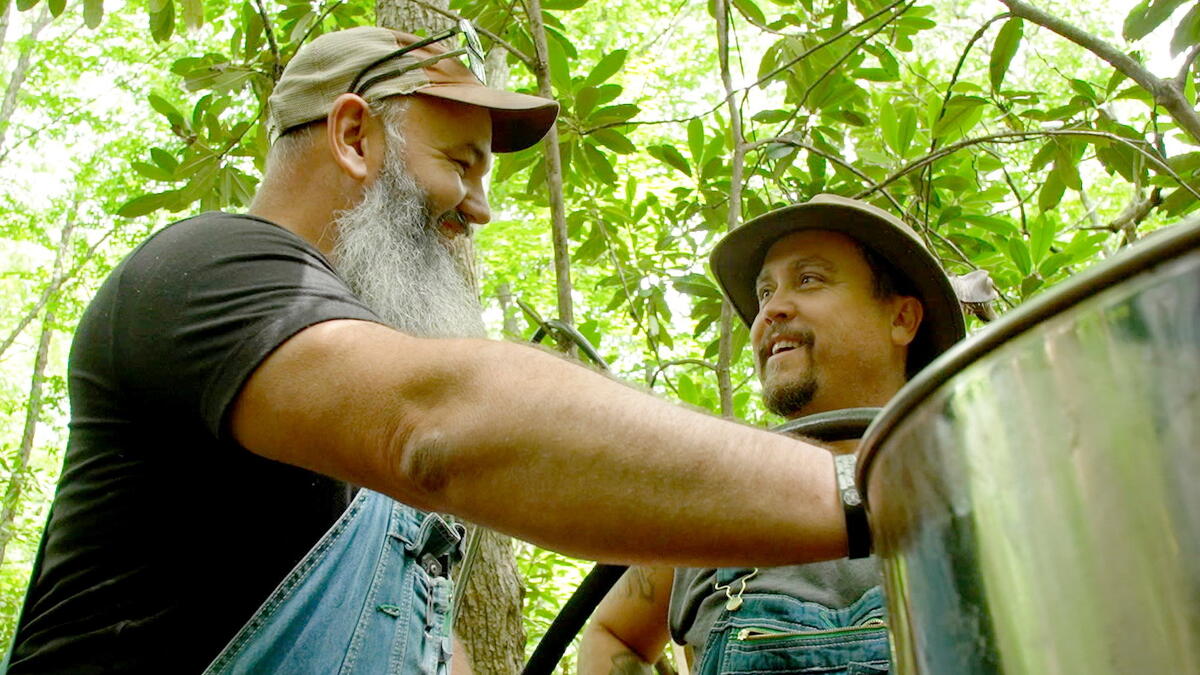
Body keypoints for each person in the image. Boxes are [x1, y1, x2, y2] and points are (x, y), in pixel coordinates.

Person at [6, 27, 868, 675]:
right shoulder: (207, 268)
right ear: (354, 137)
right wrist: (864, 492)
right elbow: (438, 419)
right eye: (462, 163)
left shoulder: (342, 401)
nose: (480, 208)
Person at [577, 194, 967, 675]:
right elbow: (611, 634)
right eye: (765, 293)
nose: (771, 310)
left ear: (901, 319)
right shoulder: (708, 499)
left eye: (809, 279)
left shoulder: (980, 483)